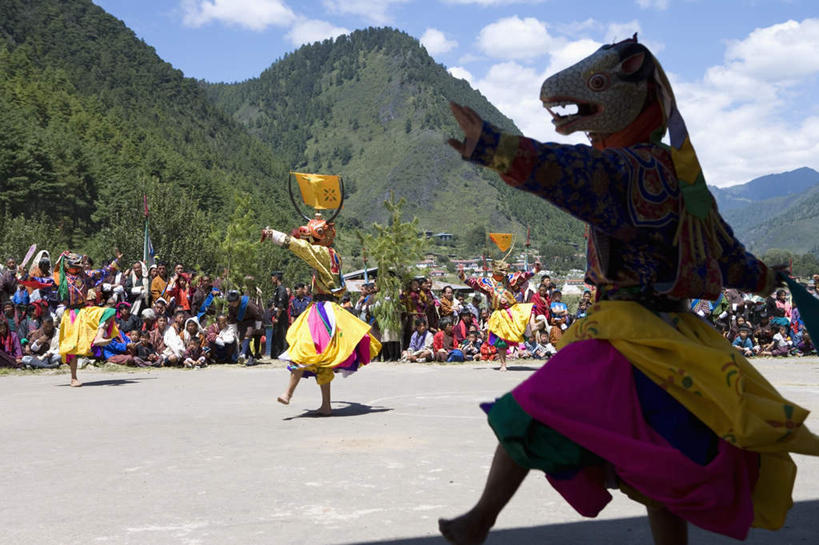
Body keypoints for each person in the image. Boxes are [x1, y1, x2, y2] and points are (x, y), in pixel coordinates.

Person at [441, 37, 819, 545]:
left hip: (624, 333)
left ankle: (481, 518)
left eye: (599, 86)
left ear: (634, 96)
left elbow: (575, 174)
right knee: (663, 470)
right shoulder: (684, 180)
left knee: (532, 410)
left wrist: (497, 148)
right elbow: (727, 256)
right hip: (679, 337)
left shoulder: (635, 169)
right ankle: (480, 519)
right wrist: (769, 278)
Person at [262, 212, 381, 416]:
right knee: (322, 356)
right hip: (331, 308)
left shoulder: (321, 252)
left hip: (321, 311)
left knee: (303, 347)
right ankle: (325, 405)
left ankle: (288, 393)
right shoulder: (335, 255)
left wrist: (274, 234)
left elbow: (299, 247)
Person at [458, 258, 540, 371]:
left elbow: (524, 276)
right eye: (502, 270)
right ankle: (503, 363)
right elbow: (473, 283)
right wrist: (463, 276)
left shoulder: (510, 279)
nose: (505, 272)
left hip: (512, 309)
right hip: (499, 314)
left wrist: (535, 269)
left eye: (506, 270)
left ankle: (533, 325)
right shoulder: (487, 283)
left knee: (529, 308)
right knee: (501, 341)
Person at [226, 289, 263, 366]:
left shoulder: (248, 304)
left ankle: (242, 354)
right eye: (231, 302)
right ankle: (251, 357)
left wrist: (258, 327)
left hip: (251, 321)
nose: (232, 304)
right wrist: (234, 329)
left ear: (238, 299)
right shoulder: (231, 306)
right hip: (240, 322)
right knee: (241, 338)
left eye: (234, 302)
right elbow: (231, 318)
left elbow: (257, 314)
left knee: (247, 334)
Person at [267, 271, 289, 359]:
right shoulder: (277, 289)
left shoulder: (281, 289)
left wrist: (277, 316)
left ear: (276, 278)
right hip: (278, 313)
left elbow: (281, 305)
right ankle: (277, 353)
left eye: (273, 277)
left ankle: (283, 353)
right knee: (276, 334)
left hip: (281, 315)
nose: (272, 279)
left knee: (282, 334)